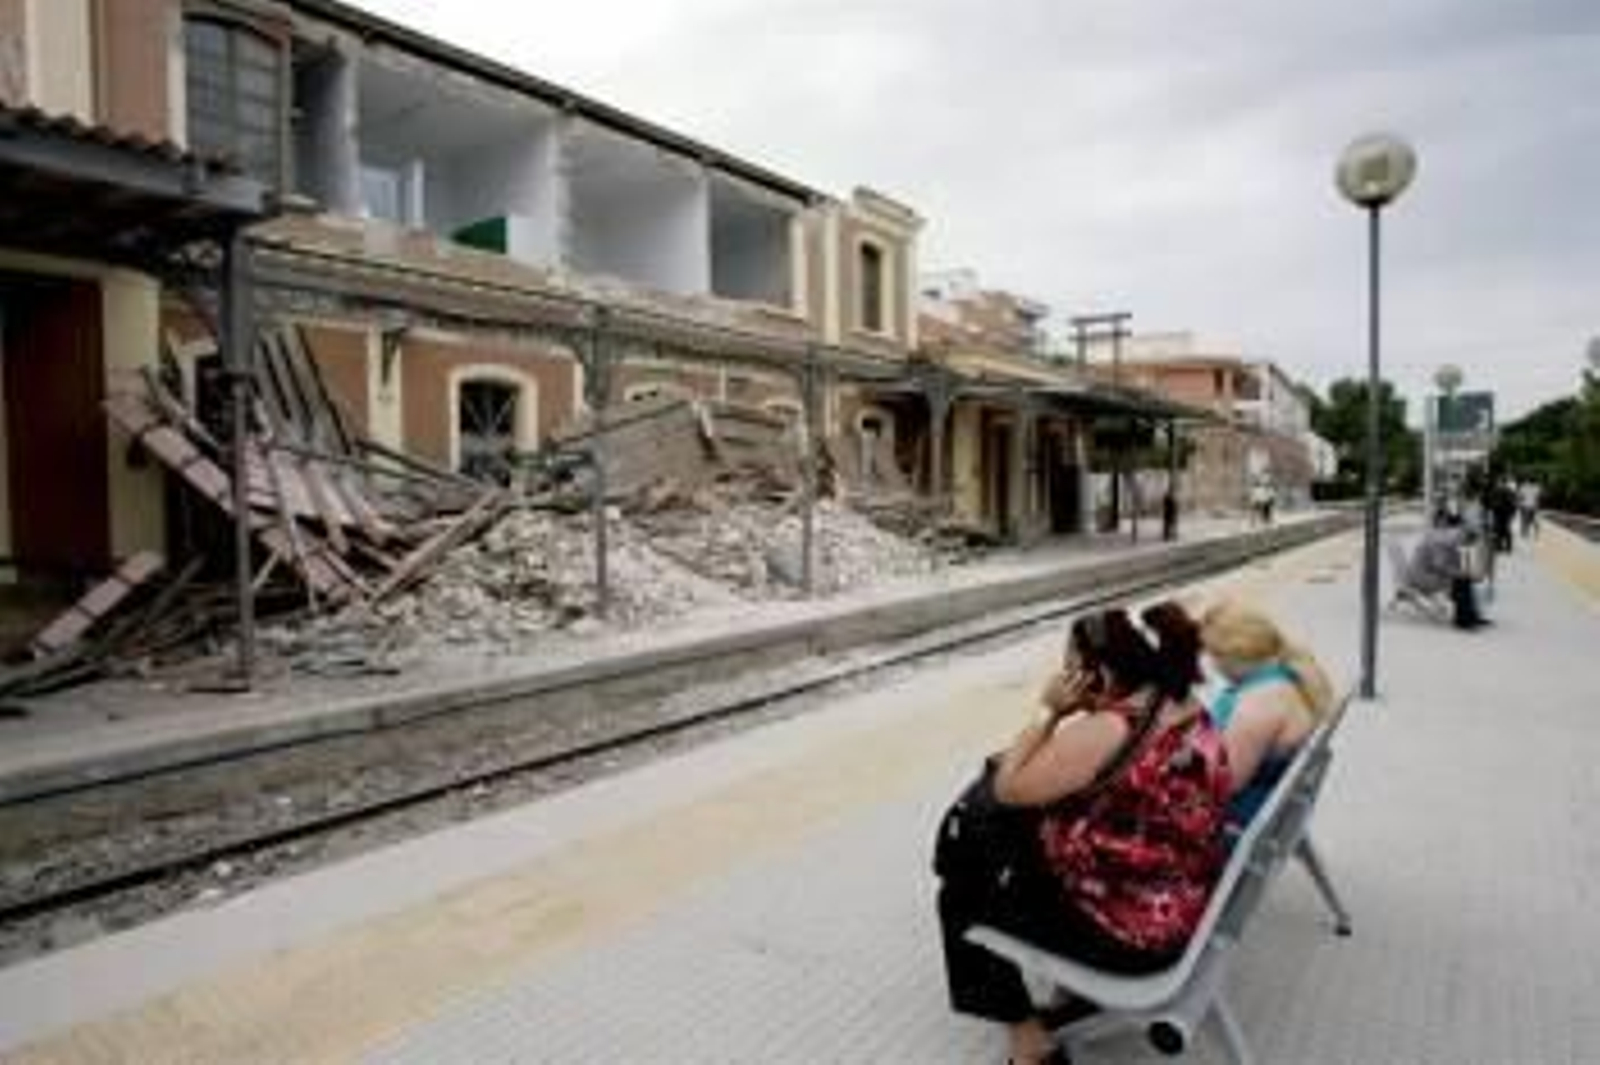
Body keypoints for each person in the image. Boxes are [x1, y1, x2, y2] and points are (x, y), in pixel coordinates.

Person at [934, 608, 1230, 1065]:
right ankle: (1072, 994)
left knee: (960, 894)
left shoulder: (1110, 728)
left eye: (1072, 665)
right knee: (1003, 844)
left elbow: (1008, 788)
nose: (1066, 675)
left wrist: (1049, 712)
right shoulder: (1185, 706)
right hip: (1180, 895)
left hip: (1132, 935)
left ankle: (1029, 1041)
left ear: (1104, 671)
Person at [1197, 602, 1336, 825]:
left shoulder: (1256, 707)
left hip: (1243, 815)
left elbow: (1223, 786)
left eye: (1212, 655)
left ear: (1230, 655)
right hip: (1275, 799)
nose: (1212, 665)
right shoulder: (1287, 674)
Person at [1407, 513, 1488, 629]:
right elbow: (1440, 566)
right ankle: (1464, 620)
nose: (1466, 545)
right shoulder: (1441, 541)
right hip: (1422, 577)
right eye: (1467, 541)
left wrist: (1463, 573)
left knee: (1463, 580)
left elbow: (1450, 563)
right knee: (1460, 582)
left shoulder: (1445, 538)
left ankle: (1471, 615)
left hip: (1425, 573)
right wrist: (1461, 574)